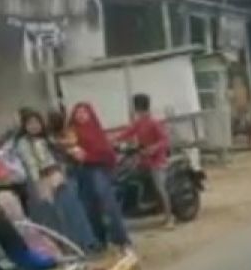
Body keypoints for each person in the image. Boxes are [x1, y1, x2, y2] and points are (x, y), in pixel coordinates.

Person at [12, 108, 98, 251]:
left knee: (72, 211)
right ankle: (60, 248)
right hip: (41, 181)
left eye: (36, 122)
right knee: (51, 217)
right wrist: (39, 185)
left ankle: (84, 243)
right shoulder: (23, 143)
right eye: (30, 123)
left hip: (58, 178)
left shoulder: (48, 139)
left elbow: (61, 156)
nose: (34, 126)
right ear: (24, 126)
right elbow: (30, 164)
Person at [69, 102, 131, 249]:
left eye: (84, 112)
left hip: (99, 170)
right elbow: (68, 150)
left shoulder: (96, 130)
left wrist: (89, 157)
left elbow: (107, 153)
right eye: (78, 112)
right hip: (82, 172)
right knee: (89, 208)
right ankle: (99, 240)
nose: (81, 115)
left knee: (109, 205)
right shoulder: (72, 132)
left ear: (90, 114)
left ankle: (120, 239)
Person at [116, 94, 173, 228]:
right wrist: (111, 140)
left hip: (157, 161)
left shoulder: (153, 123)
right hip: (143, 159)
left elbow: (165, 140)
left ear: (138, 108)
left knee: (160, 187)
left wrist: (153, 148)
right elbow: (127, 133)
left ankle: (169, 218)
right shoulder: (139, 123)